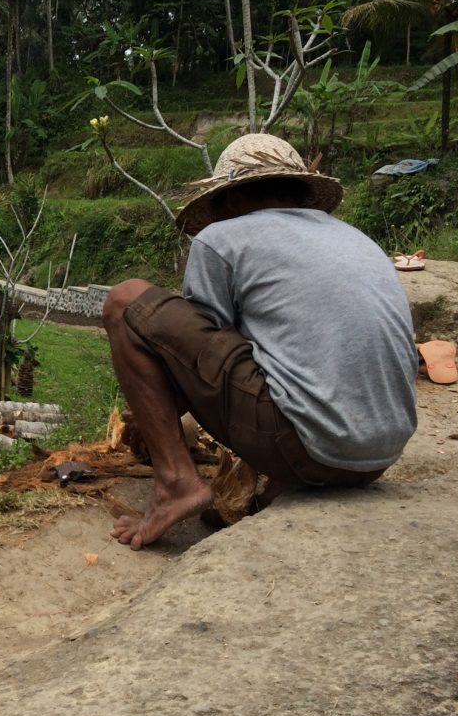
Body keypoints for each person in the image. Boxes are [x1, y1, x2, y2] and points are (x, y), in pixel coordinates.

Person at [103, 133, 418, 550]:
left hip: (310, 446)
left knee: (124, 302)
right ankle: (282, 485)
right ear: (300, 192)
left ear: (229, 201)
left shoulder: (222, 239)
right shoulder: (357, 240)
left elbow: (197, 364)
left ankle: (176, 482)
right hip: (378, 455)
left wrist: (151, 410)